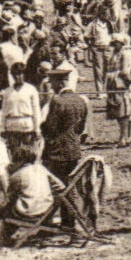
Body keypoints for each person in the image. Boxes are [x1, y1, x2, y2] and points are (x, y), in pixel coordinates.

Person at [40, 64, 89, 227]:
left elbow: (50, 127)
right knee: (69, 188)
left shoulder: (57, 101)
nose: (51, 86)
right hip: (73, 150)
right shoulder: (80, 100)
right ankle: (68, 223)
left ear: (60, 83)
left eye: (52, 83)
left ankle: (50, 223)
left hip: (57, 151)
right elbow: (81, 128)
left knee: (55, 188)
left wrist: (42, 128)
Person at [105, 37, 131, 147]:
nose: (114, 45)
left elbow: (127, 71)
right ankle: (127, 135)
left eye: (116, 43)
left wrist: (127, 79)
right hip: (116, 85)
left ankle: (126, 136)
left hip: (124, 86)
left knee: (126, 111)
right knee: (120, 111)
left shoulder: (125, 54)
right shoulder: (115, 54)